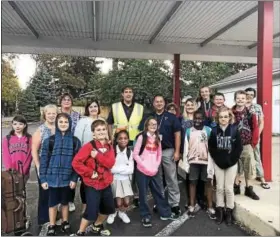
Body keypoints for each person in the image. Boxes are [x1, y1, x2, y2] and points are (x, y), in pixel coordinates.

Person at [139, 95, 181, 217]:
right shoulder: (148, 117)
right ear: (153, 103)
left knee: (171, 178)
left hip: (167, 151)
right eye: (156, 101)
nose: (159, 103)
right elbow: (142, 133)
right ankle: (160, 202)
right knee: (157, 180)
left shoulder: (172, 117)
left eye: (161, 101)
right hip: (152, 151)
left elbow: (177, 135)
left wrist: (177, 151)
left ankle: (174, 204)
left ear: (164, 103)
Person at [72, 120, 115, 236]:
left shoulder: (109, 146)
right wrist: (90, 172)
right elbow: (76, 162)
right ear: (93, 133)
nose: (101, 132)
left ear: (107, 131)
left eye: (103, 129)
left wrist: (98, 156)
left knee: (108, 208)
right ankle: (80, 232)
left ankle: (97, 225)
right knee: (91, 211)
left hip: (105, 183)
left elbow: (110, 163)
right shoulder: (88, 146)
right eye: (98, 130)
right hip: (93, 184)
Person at [40, 113, 81, 236]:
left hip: (67, 178)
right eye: (61, 122)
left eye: (66, 122)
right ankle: (52, 225)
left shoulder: (75, 141)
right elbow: (44, 161)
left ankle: (65, 222)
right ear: (57, 124)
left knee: (65, 202)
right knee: (52, 203)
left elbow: (77, 162)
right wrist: (43, 179)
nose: (63, 124)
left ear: (70, 124)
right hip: (52, 178)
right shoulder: (49, 141)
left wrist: (74, 178)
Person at [134, 117, 178, 227]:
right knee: (143, 195)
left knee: (158, 192)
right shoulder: (141, 137)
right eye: (151, 124)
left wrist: (156, 166)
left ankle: (165, 213)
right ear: (147, 126)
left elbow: (159, 155)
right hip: (142, 171)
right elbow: (135, 155)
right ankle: (145, 216)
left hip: (154, 170)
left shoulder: (158, 138)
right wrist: (145, 166)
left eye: (155, 124)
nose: (153, 126)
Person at [107, 86, 144, 207]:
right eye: (126, 92)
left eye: (130, 92)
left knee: (135, 170)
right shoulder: (115, 106)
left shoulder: (140, 108)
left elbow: (144, 125)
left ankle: (135, 195)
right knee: (118, 168)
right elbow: (109, 123)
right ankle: (116, 195)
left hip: (135, 141)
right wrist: (110, 137)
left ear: (133, 94)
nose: (128, 94)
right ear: (122, 94)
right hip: (120, 141)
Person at [208, 107, 243, 225]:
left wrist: (232, 160)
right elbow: (211, 147)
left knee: (228, 188)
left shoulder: (234, 130)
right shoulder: (214, 131)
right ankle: (220, 210)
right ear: (218, 118)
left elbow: (238, 148)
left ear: (229, 117)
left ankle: (229, 211)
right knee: (219, 188)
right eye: (221, 117)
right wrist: (217, 159)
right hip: (218, 163)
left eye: (225, 117)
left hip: (231, 164)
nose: (223, 119)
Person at [181, 110, 215, 219]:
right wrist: (186, 164)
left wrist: (211, 165)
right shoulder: (188, 131)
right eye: (195, 118)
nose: (197, 120)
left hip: (206, 162)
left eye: (200, 118)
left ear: (203, 119)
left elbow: (212, 149)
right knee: (192, 183)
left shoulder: (209, 131)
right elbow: (186, 149)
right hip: (193, 162)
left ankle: (210, 206)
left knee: (208, 183)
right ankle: (191, 205)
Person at [74, 100, 106, 214]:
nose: (93, 108)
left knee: (99, 179)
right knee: (85, 182)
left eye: (95, 106)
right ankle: (85, 205)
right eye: (91, 106)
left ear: (98, 108)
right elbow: (77, 139)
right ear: (88, 108)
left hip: (100, 155)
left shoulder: (102, 121)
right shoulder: (83, 121)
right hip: (87, 157)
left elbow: (105, 137)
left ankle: (96, 204)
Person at [32, 104, 57, 226]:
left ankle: (53, 219)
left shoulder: (60, 128)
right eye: (49, 113)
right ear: (45, 115)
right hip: (44, 165)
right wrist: (38, 166)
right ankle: (44, 221)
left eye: (54, 113)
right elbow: (34, 150)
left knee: (55, 192)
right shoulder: (40, 130)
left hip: (57, 165)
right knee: (44, 193)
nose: (52, 115)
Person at [232, 90, 259, 200]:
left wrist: (253, 143)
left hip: (247, 144)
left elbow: (255, 128)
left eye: (243, 98)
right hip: (234, 145)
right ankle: (236, 186)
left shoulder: (250, 113)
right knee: (235, 166)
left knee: (248, 166)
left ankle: (249, 188)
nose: (240, 100)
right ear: (235, 99)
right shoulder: (231, 113)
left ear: (246, 99)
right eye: (238, 98)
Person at [59, 92, 81, 211]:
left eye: (69, 99)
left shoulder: (77, 115)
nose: (66, 101)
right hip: (59, 147)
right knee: (60, 175)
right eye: (64, 99)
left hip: (73, 147)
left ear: (71, 102)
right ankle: (60, 200)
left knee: (72, 174)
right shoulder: (57, 114)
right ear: (61, 102)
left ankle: (70, 200)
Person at [107, 130, 134, 224]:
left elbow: (131, 170)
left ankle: (122, 213)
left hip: (126, 180)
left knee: (126, 201)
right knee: (117, 202)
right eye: (120, 138)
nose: (123, 140)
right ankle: (113, 212)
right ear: (117, 140)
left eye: (125, 138)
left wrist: (117, 168)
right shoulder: (112, 151)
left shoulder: (130, 152)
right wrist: (124, 168)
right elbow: (110, 169)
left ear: (128, 139)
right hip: (115, 180)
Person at [245, 87, 270, 189]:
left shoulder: (257, 107)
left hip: (254, 136)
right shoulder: (240, 106)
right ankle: (238, 180)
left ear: (254, 96)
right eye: (247, 94)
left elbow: (261, 122)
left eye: (251, 95)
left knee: (256, 156)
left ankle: (262, 178)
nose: (249, 96)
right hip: (242, 137)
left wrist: (257, 135)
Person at [2, 115, 32, 182]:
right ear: (12, 125)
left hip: (24, 172)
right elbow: (6, 156)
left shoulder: (29, 138)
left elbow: (29, 156)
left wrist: (23, 171)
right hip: (11, 172)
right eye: (15, 124)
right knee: (12, 191)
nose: (17, 126)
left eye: (20, 124)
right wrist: (10, 171)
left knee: (21, 191)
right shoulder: (7, 139)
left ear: (24, 125)